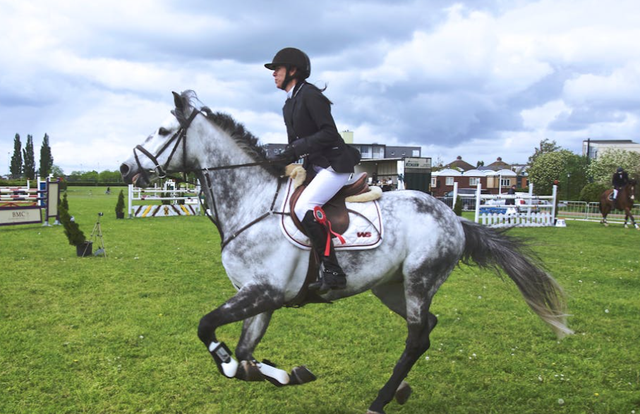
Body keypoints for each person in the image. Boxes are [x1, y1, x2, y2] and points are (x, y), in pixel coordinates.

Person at [265, 47, 361, 292]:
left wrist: (295, 149)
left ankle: (332, 270)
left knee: (303, 206)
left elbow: (329, 133)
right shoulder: (289, 104)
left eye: (277, 69)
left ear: (293, 70)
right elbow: (294, 145)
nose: (273, 73)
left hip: (334, 165)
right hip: (314, 167)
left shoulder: (310, 95)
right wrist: (279, 162)